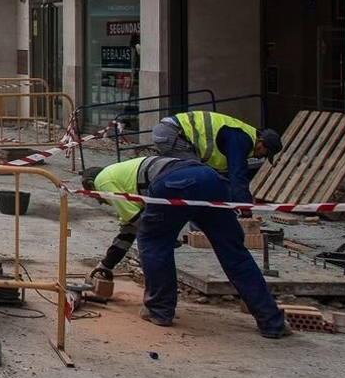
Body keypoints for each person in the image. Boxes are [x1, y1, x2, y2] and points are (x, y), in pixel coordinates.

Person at [133, 159, 289, 338]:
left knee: (154, 242)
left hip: (172, 184)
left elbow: (130, 221)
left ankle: (159, 310)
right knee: (234, 252)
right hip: (212, 180)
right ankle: (272, 321)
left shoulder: (111, 179)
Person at [86, 155, 183, 289]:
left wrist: (160, 234)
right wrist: (105, 265)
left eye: (95, 197)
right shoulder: (120, 181)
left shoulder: (101, 182)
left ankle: (159, 295)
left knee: (148, 241)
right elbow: (127, 234)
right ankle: (163, 291)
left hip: (165, 175)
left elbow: (136, 220)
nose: (100, 202)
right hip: (174, 170)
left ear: (92, 185)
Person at [151, 111, 281, 198]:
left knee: (186, 178)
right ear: (261, 142)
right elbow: (237, 176)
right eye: (265, 153)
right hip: (173, 133)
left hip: (170, 131)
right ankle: (198, 228)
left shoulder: (243, 136)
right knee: (198, 179)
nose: (261, 157)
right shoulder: (242, 139)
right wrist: (245, 208)